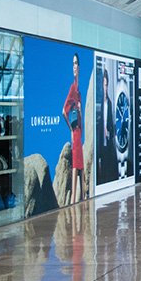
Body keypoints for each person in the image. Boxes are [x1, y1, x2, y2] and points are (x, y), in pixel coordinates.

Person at [62, 53, 84, 204]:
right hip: (76, 132)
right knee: (76, 165)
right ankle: (74, 200)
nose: (74, 66)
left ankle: (81, 197)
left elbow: (80, 116)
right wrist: (71, 129)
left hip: (79, 131)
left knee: (80, 165)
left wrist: (80, 112)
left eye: (76, 63)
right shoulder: (72, 88)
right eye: (73, 63)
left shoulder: (78, 89)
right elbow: (64, 111)